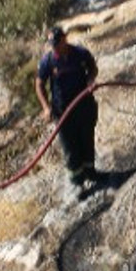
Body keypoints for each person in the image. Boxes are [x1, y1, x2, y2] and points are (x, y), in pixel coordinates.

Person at [34, 26, 100, 188]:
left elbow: (92, 68)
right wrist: (46, 107)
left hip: (84, 106)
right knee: (70, 149)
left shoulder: (80, 53)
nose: (55, 46)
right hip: (63, 113)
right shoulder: (47, 61)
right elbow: (39, 84)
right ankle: (78, 184)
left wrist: (91, 81)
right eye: (52, 44)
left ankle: (92, 174)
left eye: (58, 42)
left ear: (65, 38)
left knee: (87, 142)